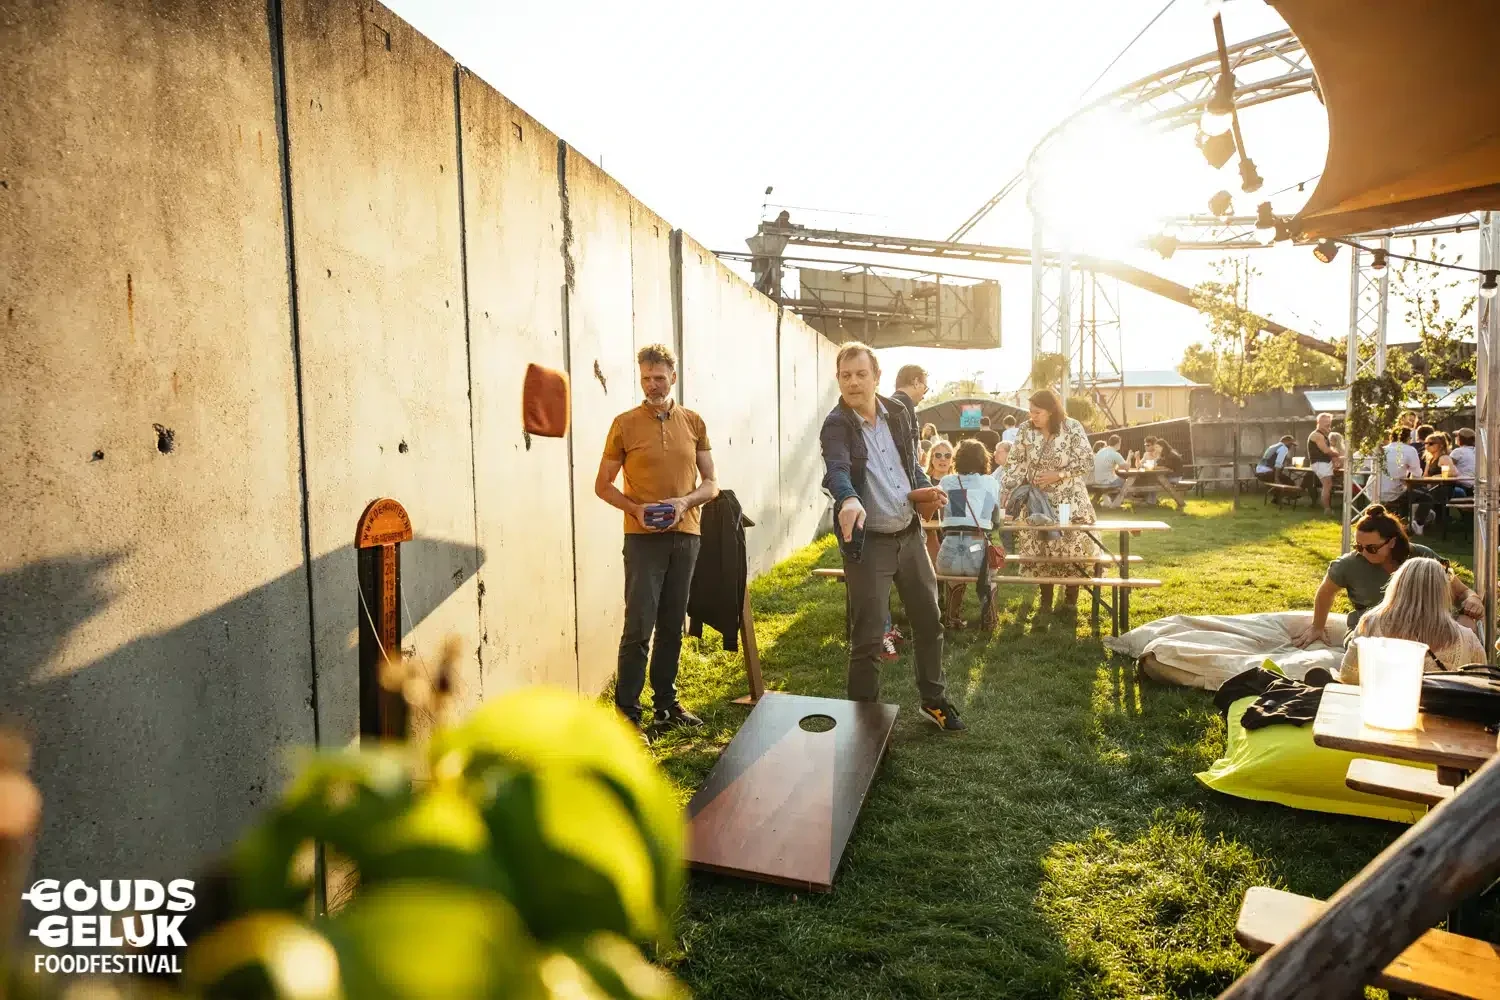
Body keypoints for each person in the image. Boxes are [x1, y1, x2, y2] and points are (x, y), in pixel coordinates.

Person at [820, 342, 964, 731]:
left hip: (910, 535)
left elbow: (910, 466)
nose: (853, 382)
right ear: (838, 379)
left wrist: (925, 489)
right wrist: (849, 499)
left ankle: (933, 701)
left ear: (877, 377)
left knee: (929, 621)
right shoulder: (836, 425)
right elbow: (837, 470)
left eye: (860, 374)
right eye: (845, 375)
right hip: (869, 543)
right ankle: (862, 723)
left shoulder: (899, 413)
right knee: (868, 639)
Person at [595, 344, 718, 729]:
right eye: (646, 378)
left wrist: (684, 503)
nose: (652, 385)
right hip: (642, 540)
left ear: (673, 378)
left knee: (671, 626)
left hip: (687, 536)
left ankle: (665, 707)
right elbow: (602, 485)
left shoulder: (694, 422)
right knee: (638, 628)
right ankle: (628, 718)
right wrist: (636, 510)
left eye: (659, 378)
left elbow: (711, 484)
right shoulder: (624, 424)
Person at [1292, 504, 1483, 647]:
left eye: (1371, 548)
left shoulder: (1421, 555)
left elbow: (1462, 592)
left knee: (1466, 624)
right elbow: (1326, 591)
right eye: (1358, 546)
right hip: (1373, 631)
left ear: (1392, 542)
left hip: (1423, 628)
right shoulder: (1349, 564)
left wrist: (1473, 599)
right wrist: (1317, 627)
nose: (1363, 552)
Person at [999, 388, 1099, 615]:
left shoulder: (1071, 427)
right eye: (1031, 411)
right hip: (1038, 500)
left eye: (1037, 412)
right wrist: (1008, 488)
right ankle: (1045, 599)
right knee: (1043, 547)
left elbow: (1086, 461)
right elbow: (1015, 463)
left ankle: (1071, 599)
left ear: (1052, 410)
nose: (1032, 416)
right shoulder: (1025, 430)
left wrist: (1059, 474)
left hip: (1069, 500)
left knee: (1070, 545)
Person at [1340, 557, 1488, 682]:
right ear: (1443, 592)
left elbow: (1348, 676)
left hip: (1383, 705)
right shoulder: (1467, 640)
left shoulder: (1370, 624)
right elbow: (1483, 687)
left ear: (1398, 585)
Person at [937, 439, 1003, 631]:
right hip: (976, 549)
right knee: (991, 577)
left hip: (949, 551)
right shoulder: (990, 482)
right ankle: (990, 621)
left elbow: (941, 517)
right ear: (983, 460)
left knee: (954, 577)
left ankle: (952, 618)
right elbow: (995, 518)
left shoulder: (946, 482)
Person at [1378, 426, 1423, 507]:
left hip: (1373, 492)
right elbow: (1417, 474)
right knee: (1426, 498)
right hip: (1394, 492)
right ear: (1408, 438)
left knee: (1408, 494)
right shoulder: (1410, 450)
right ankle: (1413, 516)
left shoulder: (1382, 450)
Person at [1306, 413, 1336, 513]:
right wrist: (1337, 454)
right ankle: (1327, 509)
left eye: (1329, 422)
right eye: (1325, 422)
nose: (1328, 424)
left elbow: (1329, 451)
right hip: (1320, 463)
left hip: (1323, 463)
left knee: (1328, 485)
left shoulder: (1323, 435)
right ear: (1318, 422)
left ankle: (1327, 508)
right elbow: (1326, 451)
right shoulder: (1317, 435)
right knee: (1327, 485)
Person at [1092, 434, 1127, 508]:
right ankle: (1115, 503)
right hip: (1107, 482)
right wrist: (1129, 456)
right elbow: (1126, 467)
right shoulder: (1115, 454)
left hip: (1097, 480)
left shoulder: (1101, 451)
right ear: (1118, 443)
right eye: (1120, 443)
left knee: (1116, 480)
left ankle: (1108, 501)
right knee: (1125, 482)